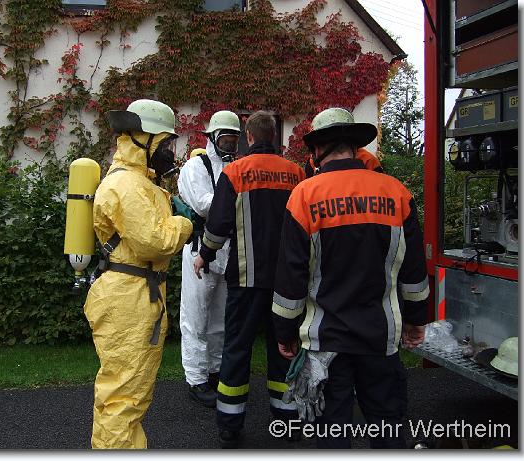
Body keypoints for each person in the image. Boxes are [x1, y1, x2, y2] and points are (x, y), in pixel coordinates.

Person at [272, 107, 428, 449]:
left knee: (332, 436)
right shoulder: (397, 193)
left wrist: (284, 332)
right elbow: (414, 273)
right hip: (380, 338)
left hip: (327, 342)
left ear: (318, 149)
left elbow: (290, 279)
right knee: (387, 430)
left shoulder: (304, 196)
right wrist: (416, 320)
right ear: (354, 146)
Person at [83, 99, 193, 449]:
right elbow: (154, 243)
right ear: (143, 140)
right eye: (166, 143)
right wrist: (185, 223)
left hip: (135, 296)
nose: (170, 151)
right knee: (124, 398)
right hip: (128, 300)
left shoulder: (139, 182)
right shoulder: (128, 185)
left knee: (126, 394)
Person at [194, 110, 305, 448]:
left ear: (250, 137)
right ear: (274, 136)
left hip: (245, 280)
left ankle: (230, 425)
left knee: (237, 350)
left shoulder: (235, 172)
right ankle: (288, 419)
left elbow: (218, 225)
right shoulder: (296, 173)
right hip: (287, 283)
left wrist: (204, 254)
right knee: (285, 348)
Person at [177, 110, 241, 407]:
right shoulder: (195, 166)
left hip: (228, 250)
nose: (229, 144)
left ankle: (214, 371)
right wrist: (236, 204)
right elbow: (204, 205)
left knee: (219, 319)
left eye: (233, 139)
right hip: (199, 250)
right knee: (195, 317)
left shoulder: (236, 166)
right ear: (212, 138)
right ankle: (196, 378)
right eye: (224, 138)